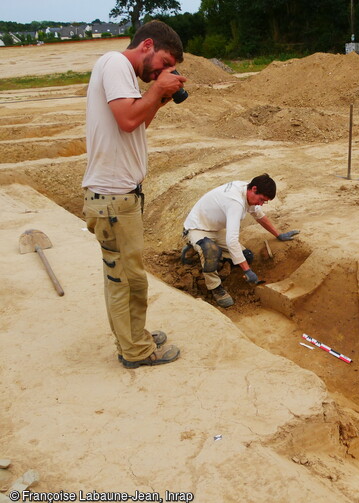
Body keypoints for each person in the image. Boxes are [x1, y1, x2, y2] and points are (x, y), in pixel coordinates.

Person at [82, 20, 186, 369]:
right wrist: (156, 91)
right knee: (126, 280)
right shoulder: (115, 63)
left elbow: (137, 123)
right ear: (147, 45)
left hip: (119, 198)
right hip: (113, 199)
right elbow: (127, 120)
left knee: (129, 277)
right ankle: (136, 351)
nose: (164, 71)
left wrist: (159, 98)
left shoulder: (124, 74)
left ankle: (134, 335)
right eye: (165, 63)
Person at [182, 173, 300, 308]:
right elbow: (232, 241)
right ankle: (215, 287)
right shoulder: (235, 202)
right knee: (210, 250)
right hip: (196, 228)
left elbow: (259, 215)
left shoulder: (246, 190)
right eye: (261, 199)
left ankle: (208, 256)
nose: (261, 204)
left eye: (264, 202)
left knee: (247, 256)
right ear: (254, 189)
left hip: (215, 229)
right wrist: (247, 271)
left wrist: (278, 234)